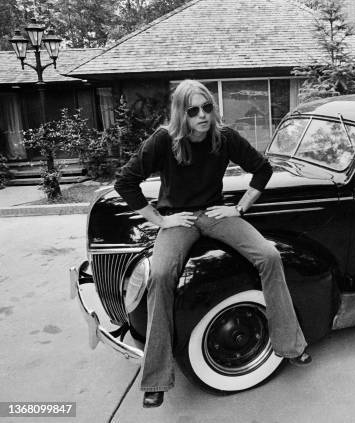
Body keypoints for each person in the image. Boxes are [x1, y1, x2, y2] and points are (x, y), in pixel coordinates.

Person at [114, 79, 310, 409]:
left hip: (217, 214)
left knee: (269, 255)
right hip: (179, 219)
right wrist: (161, 221)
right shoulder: (164, 140)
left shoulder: (224, 137)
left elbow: (262, 169)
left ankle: (290, 344)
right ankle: (157, 379)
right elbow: (125, 182)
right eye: (194, 110)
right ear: (181, 114)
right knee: (160, 275)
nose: (203, 115)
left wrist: (239, 207)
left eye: (207, 108)